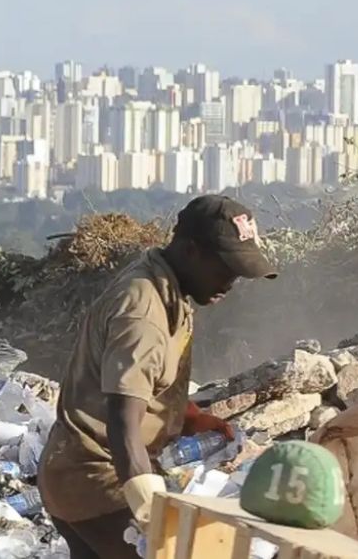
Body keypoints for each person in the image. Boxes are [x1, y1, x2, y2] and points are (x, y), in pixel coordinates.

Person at [38, 195, 278, 559]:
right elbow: (122, 423)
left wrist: (187, 416)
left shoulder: (165, 286)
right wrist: (151, 513)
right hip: (98, 483)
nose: (231, 282)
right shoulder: (144, 311)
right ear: (191, 251)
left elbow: (141, 383)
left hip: (71, 474)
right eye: (225, 268)